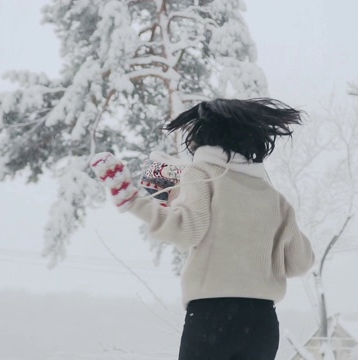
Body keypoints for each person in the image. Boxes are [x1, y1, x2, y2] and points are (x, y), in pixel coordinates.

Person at [90, 98, 314, 360]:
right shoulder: (273, 198)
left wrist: (133, 201)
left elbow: (186, 230)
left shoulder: (201, 174)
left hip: (213, 317)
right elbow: (300, 262)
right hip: (261, 324)